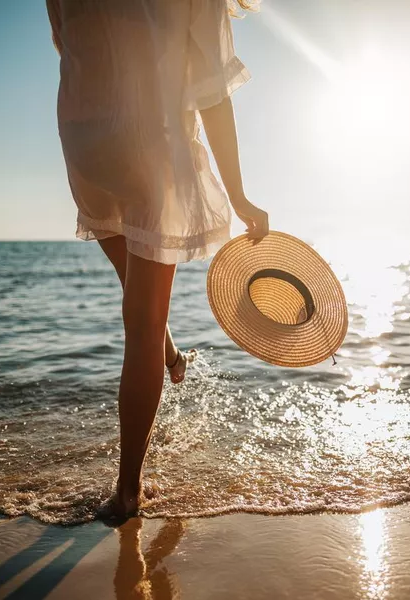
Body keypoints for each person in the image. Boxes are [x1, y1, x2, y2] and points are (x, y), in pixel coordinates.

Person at [45, 0, 268, 518]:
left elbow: (68, 44)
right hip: (149, 145)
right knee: (141, 324)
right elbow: (213, 93)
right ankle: (128, 491)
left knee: (138, 294)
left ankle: (169, 352)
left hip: (83, 141)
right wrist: (238, 195)